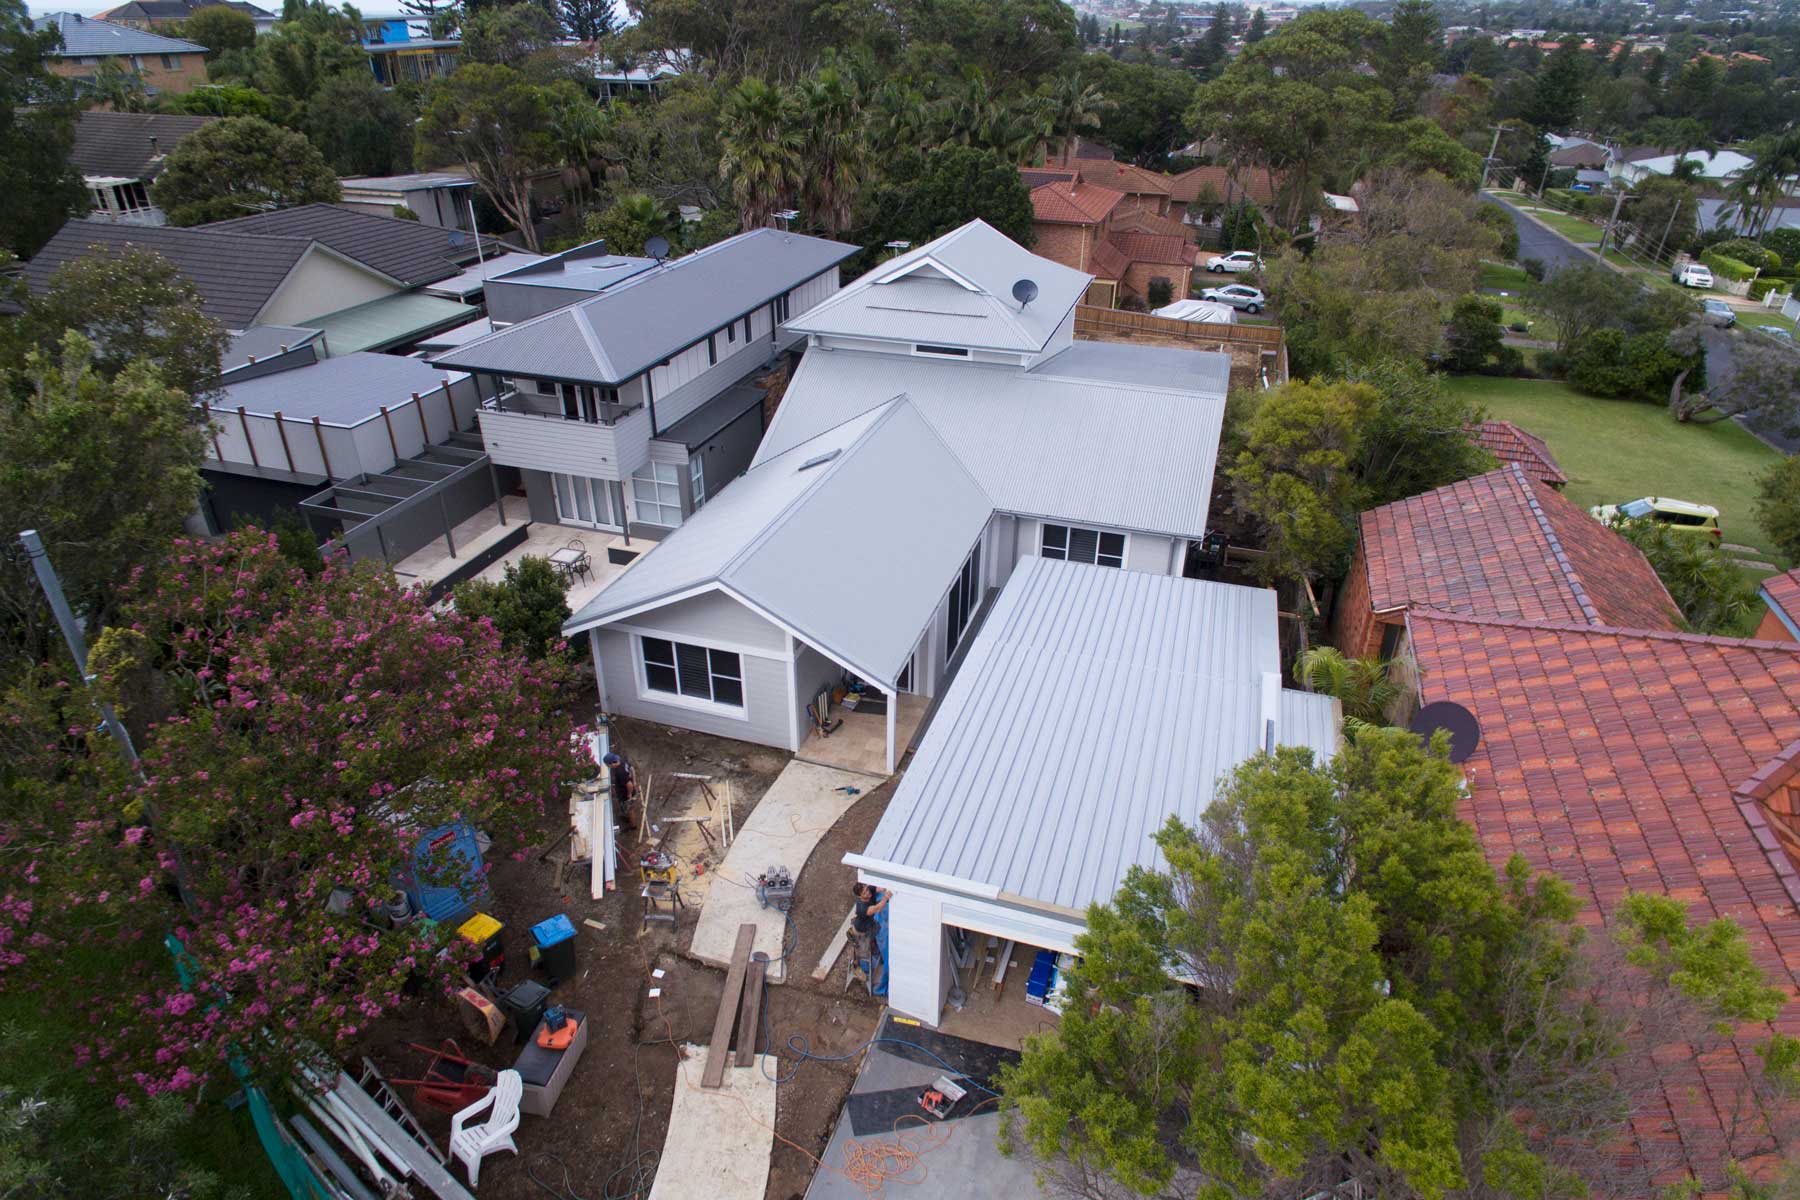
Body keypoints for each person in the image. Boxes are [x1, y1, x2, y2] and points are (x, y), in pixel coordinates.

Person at [852, 883, 890, 996]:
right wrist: (886, 897)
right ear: (860, 896)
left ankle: (877, 951)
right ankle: (861, 969)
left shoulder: (869, 890)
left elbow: (879, 888)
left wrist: (885, 888)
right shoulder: (862, 908)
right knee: (864, 953)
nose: (868, 893)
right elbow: (878, 908)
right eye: (864, 893)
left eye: (867, 890)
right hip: (861, 932)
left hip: (870, 926)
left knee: (880, 935)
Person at [604, 751, 638, 833]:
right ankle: (628, 818)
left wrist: (629, 794)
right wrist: (634, 781)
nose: (608, 766)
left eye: (608, 765)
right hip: (627, 791)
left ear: (612, 763)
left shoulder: (620, 772)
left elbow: (629, 785)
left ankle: (633, 826)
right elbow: (632, 768)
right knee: (627, 808)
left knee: (630, 809)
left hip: (626, 794)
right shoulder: (622, 760)